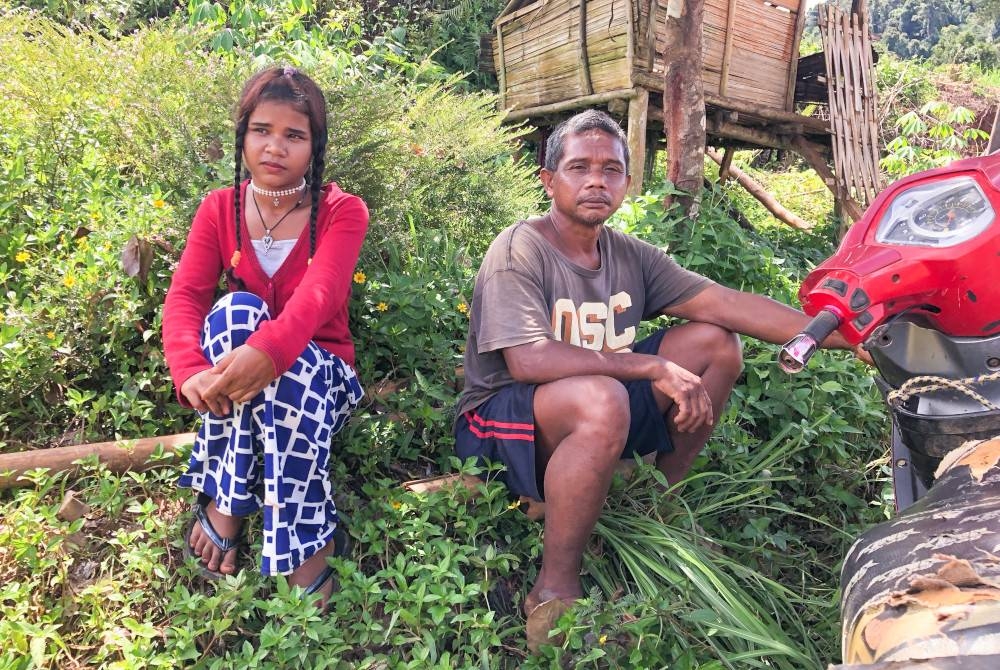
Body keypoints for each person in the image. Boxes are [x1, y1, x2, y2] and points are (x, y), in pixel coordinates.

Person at [454, 109, 861, 650]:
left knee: (716, 343)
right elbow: (527, 362)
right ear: (549, 180)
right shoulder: (519, 249)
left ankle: (656, 500)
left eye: (611, 168)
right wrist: (650, 366)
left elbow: (726, 304)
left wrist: (842, 335)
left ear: (627, 180)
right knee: (602, 397)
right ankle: (554, 588)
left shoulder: (627, 254)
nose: (596, 180)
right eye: (579, 167)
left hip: (593, 408)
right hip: (499, 424)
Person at [163, 66, 367, 606]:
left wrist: (269, 356)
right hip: (239, 379)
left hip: (323, 378)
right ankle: (256, 517)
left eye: (294, 135)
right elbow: (185, 298)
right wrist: (190, 372)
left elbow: (316, 299)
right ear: (243, 134)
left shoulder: (342, 213)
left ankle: (246, 516)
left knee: (286, 365)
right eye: (262, 130)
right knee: (235, 313)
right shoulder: (218, 208)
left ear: (314, 145)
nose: (275, 147)